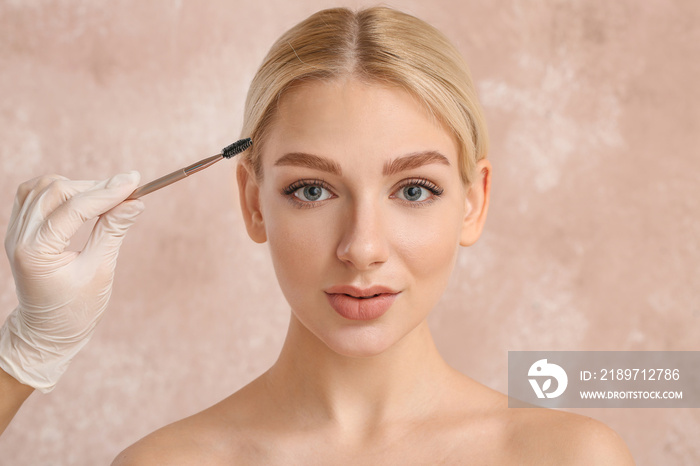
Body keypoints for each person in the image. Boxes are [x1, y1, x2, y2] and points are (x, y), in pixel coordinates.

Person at [1, 6, 634, 464]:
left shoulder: (570, 456)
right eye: (312, 189)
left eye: (414, 190)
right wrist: (24, 356)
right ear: (253, 202)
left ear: (474, 203)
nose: (362, 248)